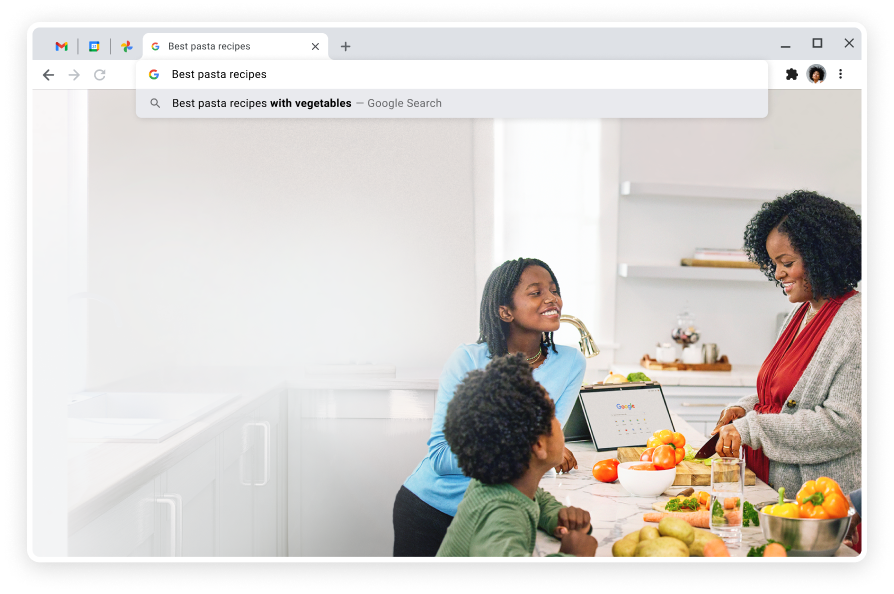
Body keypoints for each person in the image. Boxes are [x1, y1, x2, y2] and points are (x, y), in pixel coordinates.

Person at [392, 257, 587, 556]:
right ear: (505, 311)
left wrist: (550, 509)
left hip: (501, 505)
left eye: (554, 289)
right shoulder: (468, 359)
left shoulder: (571, 363)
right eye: (536, 292)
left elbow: (541, 452)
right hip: (432, 510)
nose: (552, 298)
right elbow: (441, 456)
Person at [711, 190, 861, 497]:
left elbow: (846, 425)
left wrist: (752, 429)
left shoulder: (857, 323)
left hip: (819, 500)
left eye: (787, 262)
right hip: (772, 487)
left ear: (822, 257)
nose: (778, 273)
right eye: (774, 263)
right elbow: (785, 395)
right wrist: (746, 408)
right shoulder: (799, 312)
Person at [436, 354, 597, 557]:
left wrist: (557, 515)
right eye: (553, 415)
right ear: (538, 445)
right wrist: (572, 556)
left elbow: (538, 498)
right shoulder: (501, 516)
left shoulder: (499, 484)